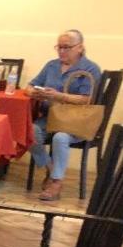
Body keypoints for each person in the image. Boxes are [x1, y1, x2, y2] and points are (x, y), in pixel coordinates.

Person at [26, 29, 102, 201]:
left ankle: (56, 182)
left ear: (80, 47)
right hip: (50, 117)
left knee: (60, 137)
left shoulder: (90, 69)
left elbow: (87, 99)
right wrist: (35, 93)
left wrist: (59, 96)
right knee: (29, 130)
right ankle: (52, 169)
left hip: (76, 121)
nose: (61, 51)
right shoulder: (51, 65)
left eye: (66, 47)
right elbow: (30, 86)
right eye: (59, 47)